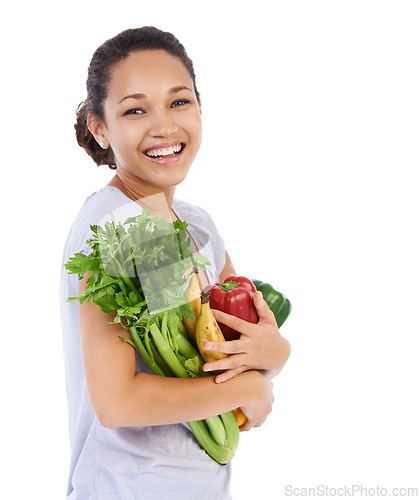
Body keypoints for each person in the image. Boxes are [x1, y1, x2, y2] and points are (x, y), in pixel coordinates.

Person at [60, 26, 291, 499]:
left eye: (179, 101)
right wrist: (248, 391)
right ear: (99, 127)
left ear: (200, 107)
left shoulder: (196, 224)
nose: (163, 125)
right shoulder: (116, 225)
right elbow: (117, 401)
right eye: (135, 109)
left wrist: (275, 354)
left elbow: (220, 346)